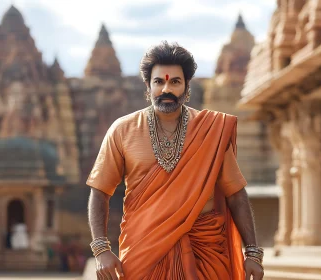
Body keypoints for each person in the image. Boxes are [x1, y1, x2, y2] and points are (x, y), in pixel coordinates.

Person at [87, 41, 264, 280]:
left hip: (205, 255)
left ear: (187, 87)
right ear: (148, 87)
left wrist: (252, 253)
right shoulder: (122, 130)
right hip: (144, 253)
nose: (166, 89)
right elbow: (100, 191)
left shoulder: (210, 131)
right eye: (159, 82)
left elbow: (236, 193)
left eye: (175, 82)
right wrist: (101, 250)